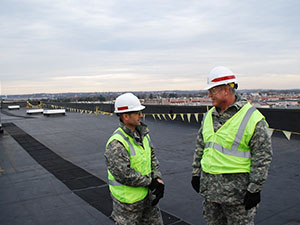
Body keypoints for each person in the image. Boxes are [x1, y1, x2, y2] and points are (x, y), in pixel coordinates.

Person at [191, 66, 273, 225]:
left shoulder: (252, 118)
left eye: (212, 91)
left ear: (226, 90)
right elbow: (201, 147)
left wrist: (255, 189)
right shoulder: (209, 116)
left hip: (237, 197)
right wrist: (196, 173)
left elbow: (262, 157)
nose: (209, 95)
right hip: (211, 195)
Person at [104, 92, 164, 225]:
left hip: (147, 198)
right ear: (125, 116)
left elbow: (152, 156)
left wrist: (157, 178)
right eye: (137, 113)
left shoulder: (143, 134)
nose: (141, 116)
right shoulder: (116, 143)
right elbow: (124, 174)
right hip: (128, 205)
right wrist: (150, 182)